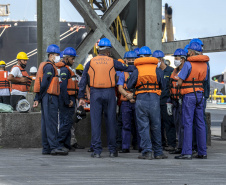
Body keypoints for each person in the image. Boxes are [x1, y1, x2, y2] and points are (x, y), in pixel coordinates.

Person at [78, 38, 135, 158]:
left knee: (96, 122)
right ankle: (113, 151)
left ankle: (97, 151)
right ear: (108, 51)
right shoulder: (113, 61)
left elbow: (83, 81)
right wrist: (139, 66)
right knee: (111, 122)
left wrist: (81, 97)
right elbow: (127, 68)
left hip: (95, 93)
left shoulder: (91, 62)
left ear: (99, 50)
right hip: (109, 93)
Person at [127, 46, 167, 160]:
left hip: (141, 99)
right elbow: (163, 85)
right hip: (154, 99)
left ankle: (147, 152)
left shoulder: (137, 70)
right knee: (156, 126)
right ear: (151, 56)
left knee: (143, 127)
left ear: (139, 57)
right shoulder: (157, 70)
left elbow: (129, 85)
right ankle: (158, 152)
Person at [175, 42, 209, 160]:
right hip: (200, 95)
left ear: (192, 52)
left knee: (187, 123)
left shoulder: (188, 64)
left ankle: (187, 152)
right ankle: (202, 152)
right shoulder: (205, 65)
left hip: (189, 95)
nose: (188, 52)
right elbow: (205, 79)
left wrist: (178, 85)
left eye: (189, 50)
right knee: (200, 123)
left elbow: (179, 81)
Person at [33, 44, 68, 156]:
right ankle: (54, 147)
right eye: (57, 55)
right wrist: (39, 97)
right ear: (51, 55)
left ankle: (46, 148)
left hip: (46, 97)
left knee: (46, 123)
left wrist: (38, 97)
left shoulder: (47, 65)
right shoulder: (49, 67)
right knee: (52, 122)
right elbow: (44, 83)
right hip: (50, 97)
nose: (59, 57)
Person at [153, 50, 176, 151]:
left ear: (161, 60)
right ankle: (161, 143)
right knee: (158, 123)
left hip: (167, 101)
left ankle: (171, 144)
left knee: (169, 123)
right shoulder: (155, 71)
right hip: (156, 101)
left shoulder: (171, 71)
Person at [117, 51, 139, 153]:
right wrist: (128, 96)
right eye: (129, 59)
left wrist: (133, 96)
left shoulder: (139, 72)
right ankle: (125, 147)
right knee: (126, 125)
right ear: (125, 60)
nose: (131, 61)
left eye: (133, 59)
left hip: (137, 101)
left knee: (139, 125)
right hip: (126, 102)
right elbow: (120, 88)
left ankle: (140, 146)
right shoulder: (123, 74)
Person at [56, 47, 78, 151]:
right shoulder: (65, 70)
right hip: (67, 99)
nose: (73, 61)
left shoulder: (67, 69)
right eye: (72, 59)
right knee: (66, 122)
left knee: (68, 123)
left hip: (70, 98)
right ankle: (59, 143)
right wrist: (67, 101)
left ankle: (66, 144)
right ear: (67, 58)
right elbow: (63, 87)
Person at [168, 48, 187, 154]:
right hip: (174, 101)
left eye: (177, 58)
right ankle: (179, 146)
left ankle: (183, 146)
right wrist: (169, 101)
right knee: (177, 124)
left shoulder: (186, 70)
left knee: (183, 125)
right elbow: (170, 86)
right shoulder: (174, 71)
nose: (175, 60)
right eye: (175, 58)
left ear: (183, 59)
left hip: (183, 101)